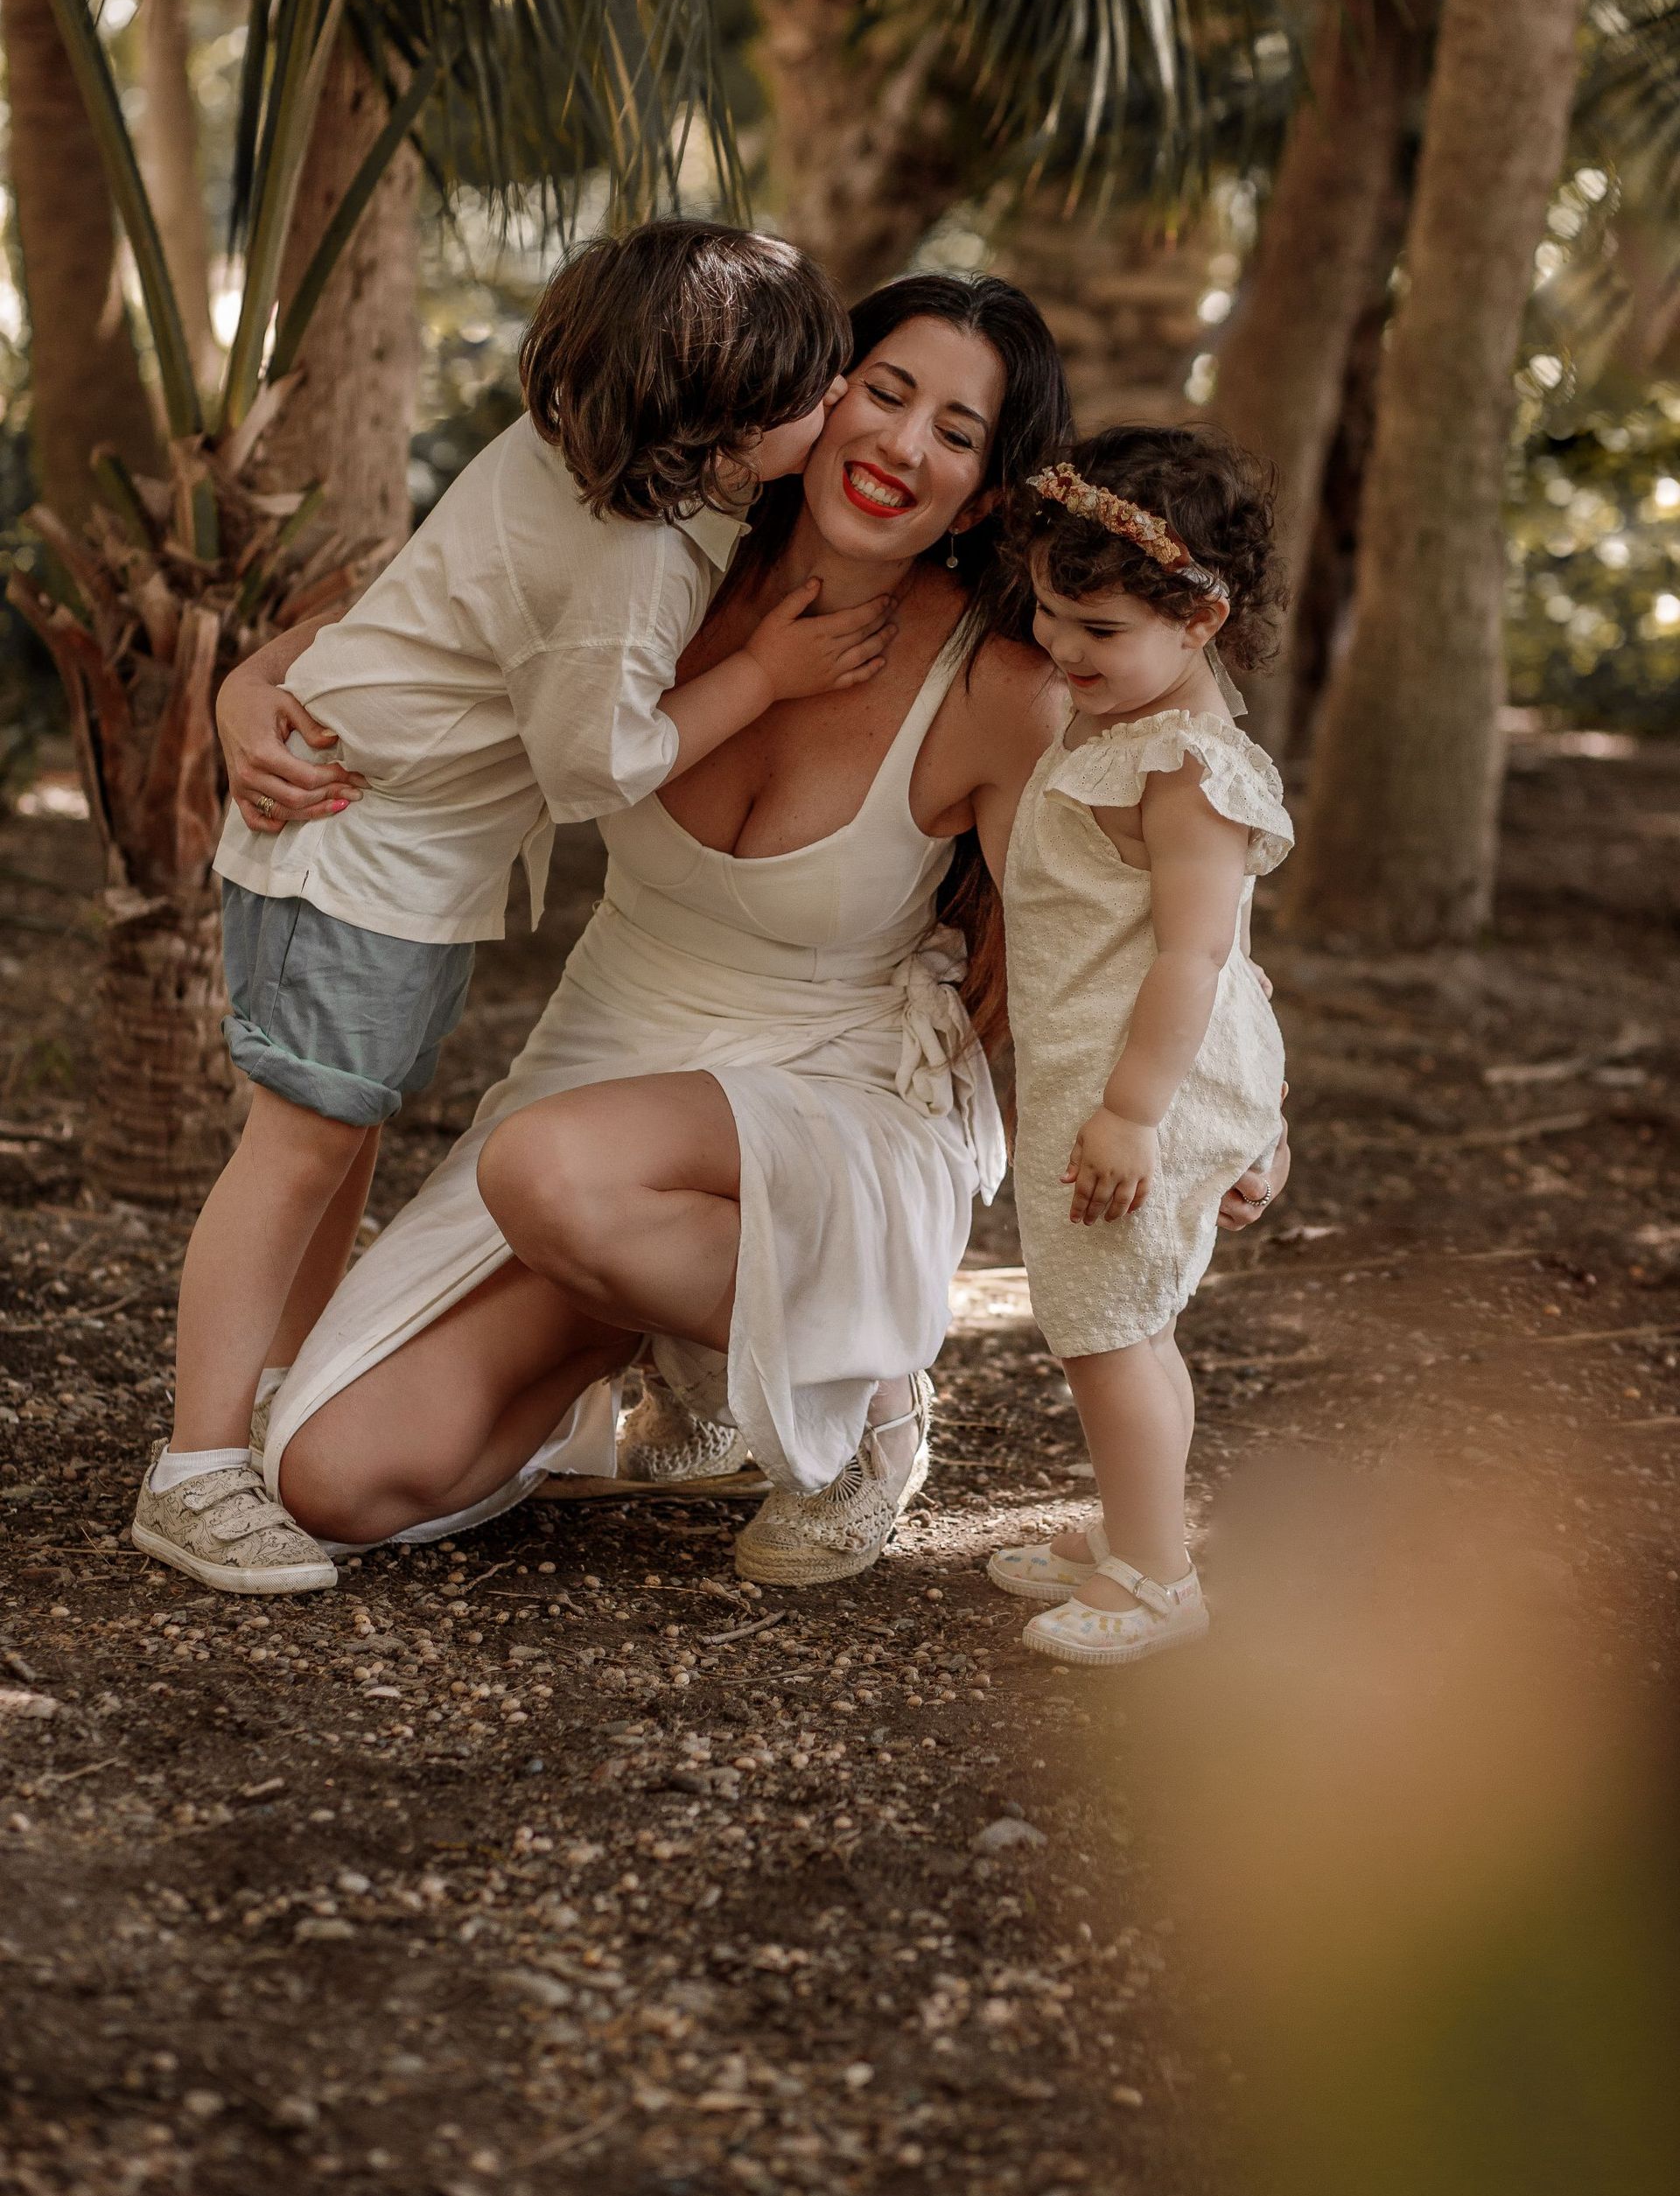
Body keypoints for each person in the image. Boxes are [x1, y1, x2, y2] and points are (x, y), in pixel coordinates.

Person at [224, 279, 1286, 1587]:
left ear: (992, 489)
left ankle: (871, 1398)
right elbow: (428, 614)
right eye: (885, 394)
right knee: (331, 1476)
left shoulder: (1004, 686)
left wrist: (1234, 1106)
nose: (903, 447)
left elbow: (1139, 918)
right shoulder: (663, 557)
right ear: (818, 395)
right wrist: (250, 685)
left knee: (551, 1173)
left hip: (846, 1086)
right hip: (619, 1050)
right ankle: (685, 1333)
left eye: (956, 432)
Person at [131, 220, 883, 1596]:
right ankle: (194, 1468)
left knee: (338, 1144)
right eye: (810, 395)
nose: (836, 408)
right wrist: (767, 676)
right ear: (715, 432)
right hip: (357, 854)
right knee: (296, 1155)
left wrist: (255, 678)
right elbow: (599, 769)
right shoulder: (629, 563)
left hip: (386, 857)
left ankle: (289, 1389)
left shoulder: (571, 451)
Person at [984, 428, 1293, 1666]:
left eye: (1097, 630)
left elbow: (1200, 959)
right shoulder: (1131, 726)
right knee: (1120, 1325)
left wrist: (1135, 1114)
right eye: (1052, 613)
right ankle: (1134, 1528)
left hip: (1134, 1086)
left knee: (1109, 1331)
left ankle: (1160, 1577)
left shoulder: (1185, 772)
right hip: (1107, 1071)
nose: (1061, 647)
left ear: (1201, 618)